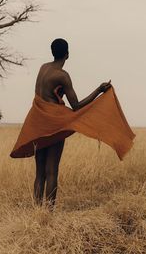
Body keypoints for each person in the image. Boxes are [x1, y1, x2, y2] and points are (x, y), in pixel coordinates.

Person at [33, 38, 111, 209]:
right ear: (67, 54)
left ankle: (36, 214)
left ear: (52, 52)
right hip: (53, 124)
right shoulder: (62, 75)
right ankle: (48, 215)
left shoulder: (43, 68)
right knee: (52, 170)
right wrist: (99, 90)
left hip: (37, 122)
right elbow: (76, 106)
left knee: (40, 172)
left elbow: (45, 96)